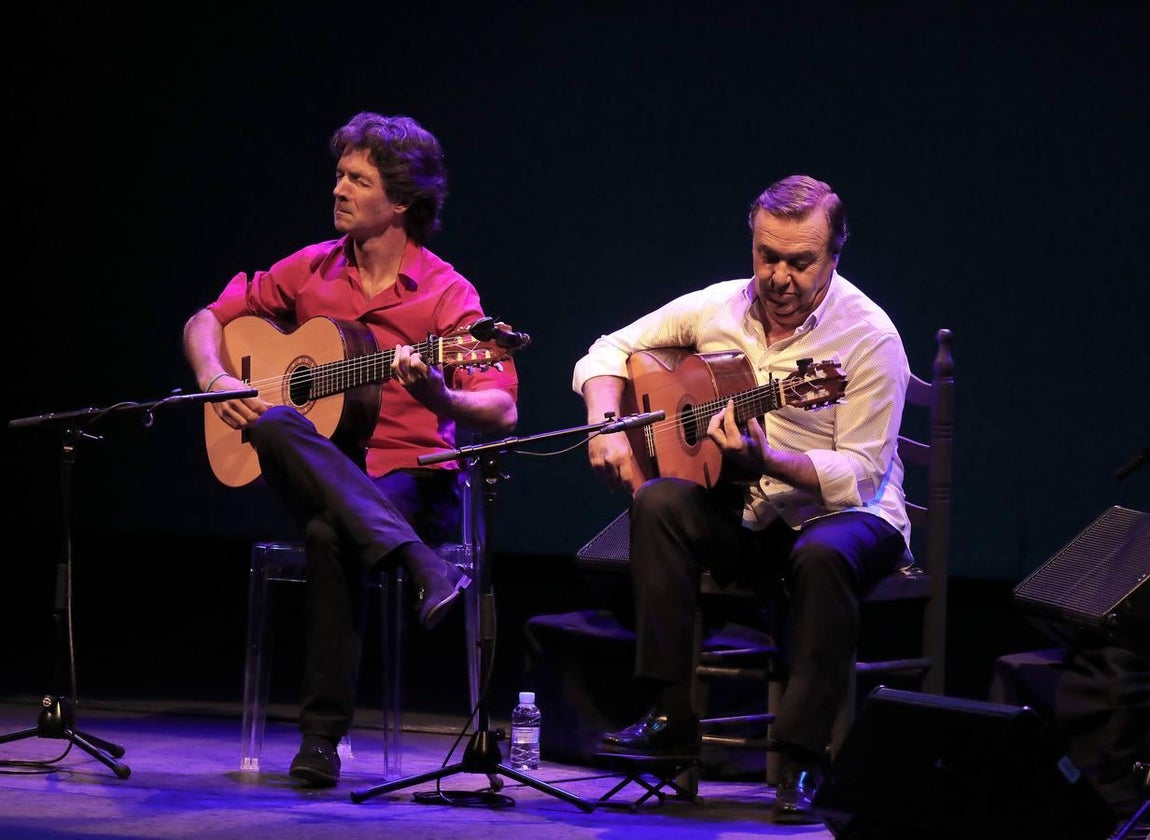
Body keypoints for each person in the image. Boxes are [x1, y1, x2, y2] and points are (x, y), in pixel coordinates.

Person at [183, 112, 519, 788]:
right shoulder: (308, 269)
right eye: (339, 174)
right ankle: (420, 566)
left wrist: (440, 399)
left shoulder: (448, 295)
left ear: (401, 201)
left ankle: (320, 742)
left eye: (357, 180)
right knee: (276, 424)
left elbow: (503, 409)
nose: (337, 188)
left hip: (411, 478)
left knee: (328, 531)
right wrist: (216, 379)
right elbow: (206, 319)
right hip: (322, 464)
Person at [572, 174, 910, 823]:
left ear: (833, 257)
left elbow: (863, 474)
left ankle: (804, 757)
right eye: (767, 256)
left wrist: (769, 457)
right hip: (749, 512)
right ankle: (671, 716)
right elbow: (607, 350)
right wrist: (607, 424)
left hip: (846, 518)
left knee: (821, 556)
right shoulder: (718, 307)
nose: (779, 276)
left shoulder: (869, 337)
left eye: (800, 261)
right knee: (660, 503)